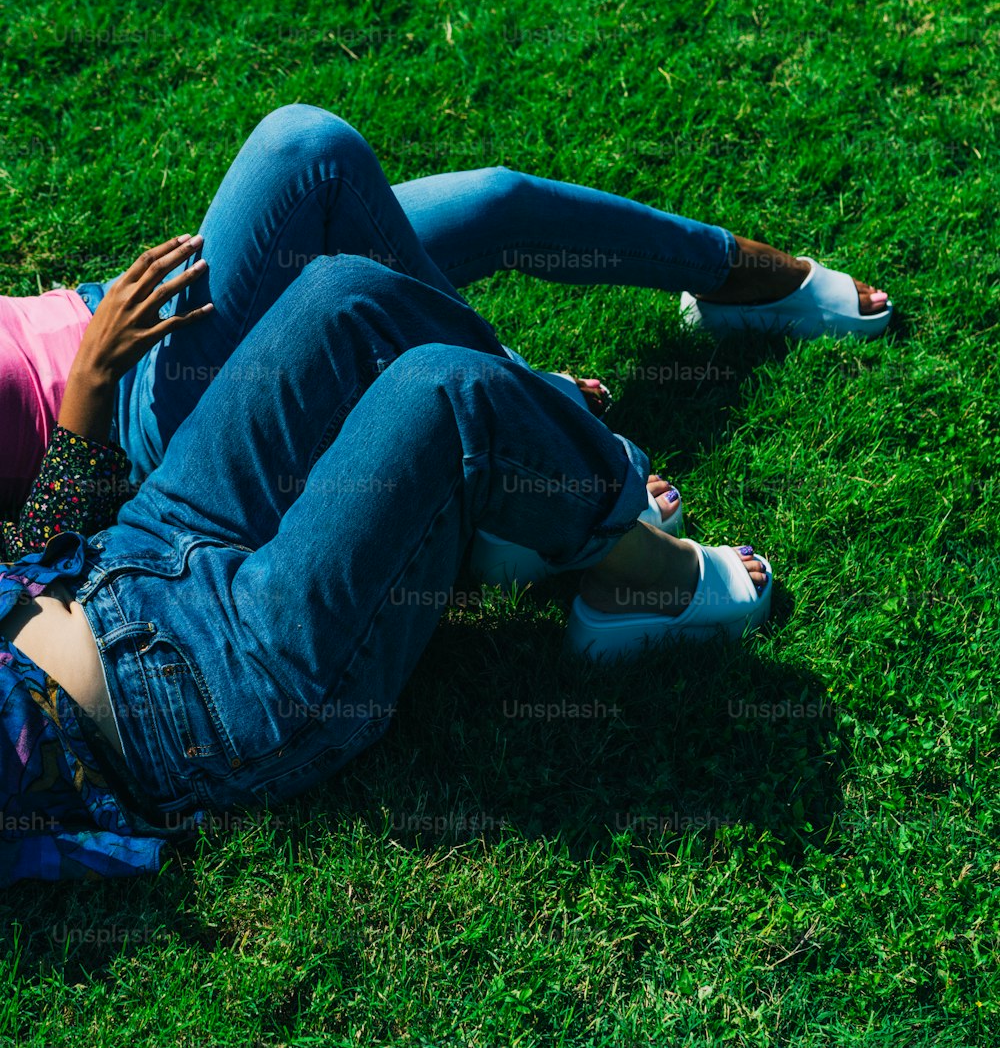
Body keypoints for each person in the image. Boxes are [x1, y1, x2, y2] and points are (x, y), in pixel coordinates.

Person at [0, 106, 889, 884]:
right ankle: (630, 565)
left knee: (344, 290)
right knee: (443, 393)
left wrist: (78, 413)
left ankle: (547, 474)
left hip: (127, 560)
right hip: (195, 700)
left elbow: (29, 554)